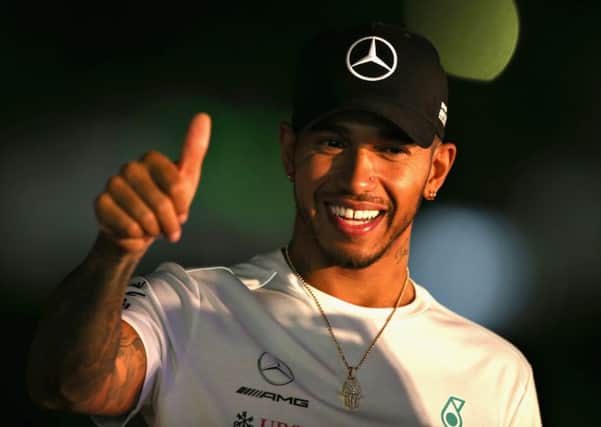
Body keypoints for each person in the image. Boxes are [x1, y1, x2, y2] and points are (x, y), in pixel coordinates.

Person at [27, 22, 542, 426]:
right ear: (290, 152)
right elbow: (68, 385)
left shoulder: (497, 376)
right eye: (333, 142)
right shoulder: (189, 309)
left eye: (391, 148)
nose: (358, 177)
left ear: (437, 169)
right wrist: (115, 251)